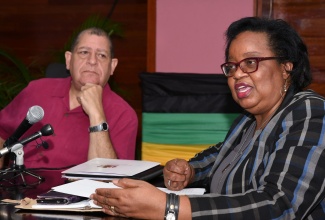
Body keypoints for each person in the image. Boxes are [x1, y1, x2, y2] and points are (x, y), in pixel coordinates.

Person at [90, 17, 325, 219]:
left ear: (286, 68)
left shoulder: (309, 111)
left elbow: (281, 206)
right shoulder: (248, 121)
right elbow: (221, 155)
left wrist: (168, 207)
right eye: (231, 67)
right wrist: (190, 171)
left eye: (250, 62)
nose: (238, 74)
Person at [0, 27, 138, 169]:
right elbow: (1, 131)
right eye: (84, 52)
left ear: (112, 66)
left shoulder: (124, 115)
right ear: (69, 59)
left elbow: (108, 179)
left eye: (102, 55)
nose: (92, 61)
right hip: (18, 188)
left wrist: (97, 114)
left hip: (77, 191)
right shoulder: (36, 90)